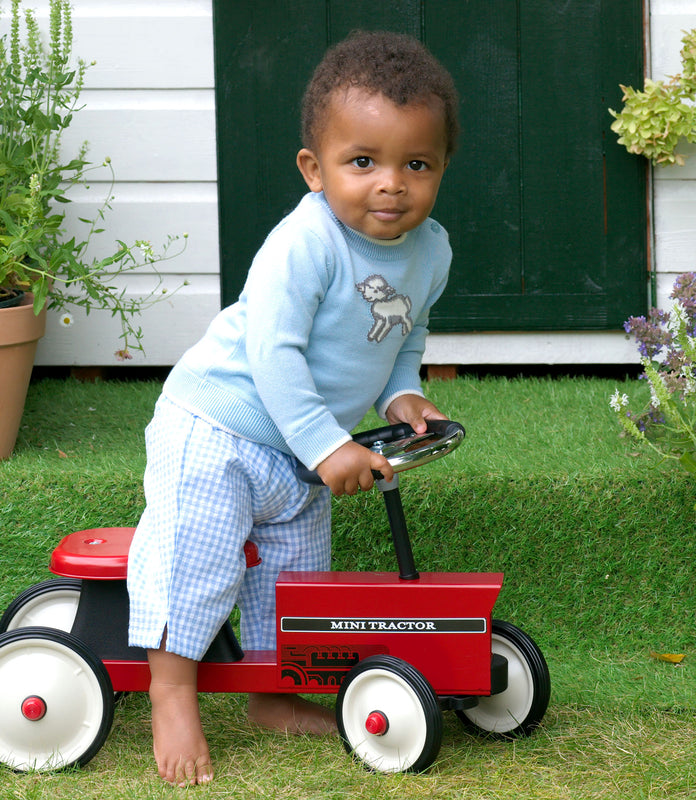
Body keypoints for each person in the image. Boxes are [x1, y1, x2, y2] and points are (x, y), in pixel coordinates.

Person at [127, 29, 460, 787]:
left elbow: (405, 334)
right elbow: (273, 357)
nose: (391, 185)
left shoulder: (431, 249)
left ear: (441, 167)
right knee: (198, 562)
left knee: (293, 581)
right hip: (221, 427)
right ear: (315, 168)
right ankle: (172, 692)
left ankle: (272, 694)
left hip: (301, 454)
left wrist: (402, 391)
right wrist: (326, 445)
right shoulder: (303, 244)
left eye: (417, 164)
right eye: (363, 162)